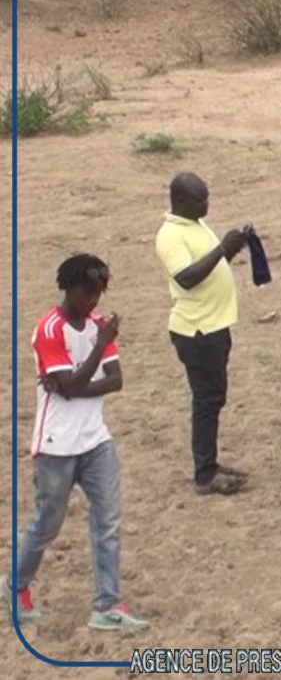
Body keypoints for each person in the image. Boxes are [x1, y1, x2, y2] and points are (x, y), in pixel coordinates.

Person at [13, 254, 149, 632]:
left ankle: (107, 604)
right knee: (48, 523)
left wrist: (71, 385)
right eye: (87, 292)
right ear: (68, 287)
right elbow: (74, 385)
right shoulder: (50, 329)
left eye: (98, 292)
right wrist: (94, 354)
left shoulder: (96, 326)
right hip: (56, 446)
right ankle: (15, 587)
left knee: (107, 520)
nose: (93, 300)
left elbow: (112, 380)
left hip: (95, 440)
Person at [156, 172, 251, 496]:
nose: (206, 205)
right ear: (181, 202)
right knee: (207, 400)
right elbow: (186, 277)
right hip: (196, 330)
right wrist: (224, 248)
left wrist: (233, 247)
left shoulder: (193, 224)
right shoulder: (170, 235)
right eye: (200, 200)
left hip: (212, 325)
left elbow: (207, 266)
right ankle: (205, 473)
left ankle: (208, 463)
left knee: (213, 397)